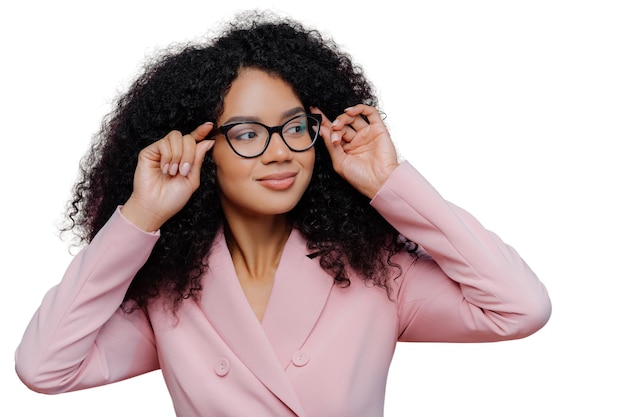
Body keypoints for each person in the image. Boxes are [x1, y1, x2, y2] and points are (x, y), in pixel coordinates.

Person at [15, 10, 551, 417]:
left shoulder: (379, 273)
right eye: (247, 133)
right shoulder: (168, 293)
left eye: (295, 127)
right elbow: (44, 368)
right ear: (204, 151)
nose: (280, 151)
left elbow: (520, 307)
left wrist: (390, 184)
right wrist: (140, 215)